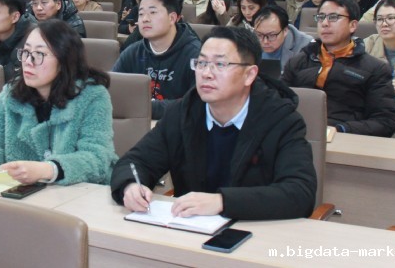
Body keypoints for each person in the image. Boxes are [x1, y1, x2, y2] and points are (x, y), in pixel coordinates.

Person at [111, 26, 317, 220]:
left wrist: (222, 202)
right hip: (189, 230)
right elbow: (135, 161)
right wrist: (130, 186)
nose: (206, 73)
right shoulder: (183, 113)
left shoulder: (281, 120)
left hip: (255, 231)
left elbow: (300, 192)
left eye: (220, 64)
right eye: (201, 63)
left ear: (249, 75)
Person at [0, 20, 117, 185]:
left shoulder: (92, 96)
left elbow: (97, 158)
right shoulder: (12, 93)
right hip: (23, 194)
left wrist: (48, 170)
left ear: (64, 59)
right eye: (25, 52)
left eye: (39, 54)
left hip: (79, 195)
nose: (28, 62)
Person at [282, 0, 395, 137]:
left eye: (333, 17)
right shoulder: (298, 62)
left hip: (345, 138)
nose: (325, 23)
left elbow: (386, 122)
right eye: (321, 17)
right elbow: (279, 103)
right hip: (298, 135)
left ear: (352, 25)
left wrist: (342, 129)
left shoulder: (375, 69)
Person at [112, 0, 201, 120]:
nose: (145, 19)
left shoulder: (195, 55)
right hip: (136, 125)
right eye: (141, 14)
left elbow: (197, 104)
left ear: (172, 18)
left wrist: (142, 107)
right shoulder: (133, 52)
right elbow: (112, 92)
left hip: (179, 127)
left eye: (152, 12)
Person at [252, 5, 312, 70]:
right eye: (259, 35)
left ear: (285, 30)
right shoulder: (249, 41)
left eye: (271, 35)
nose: (265, 41)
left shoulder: (305, 45)